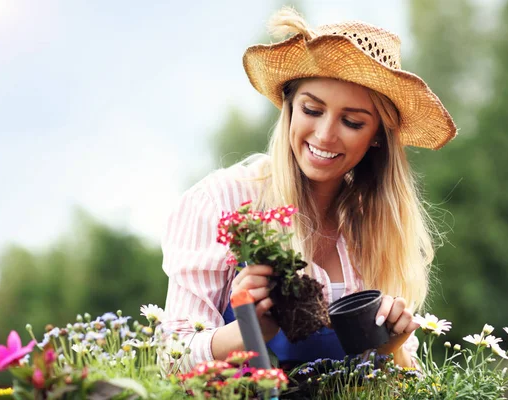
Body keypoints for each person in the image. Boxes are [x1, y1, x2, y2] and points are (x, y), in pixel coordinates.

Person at [160, 7, 457, 371]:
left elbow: (386, 381)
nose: (324, 134)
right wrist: (249, 329)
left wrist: (388, 347)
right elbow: (170, 359)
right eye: (312, 110)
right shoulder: (221, 202)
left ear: (377, 136)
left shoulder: (378, 227)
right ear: (289, 107)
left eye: (351, 121)